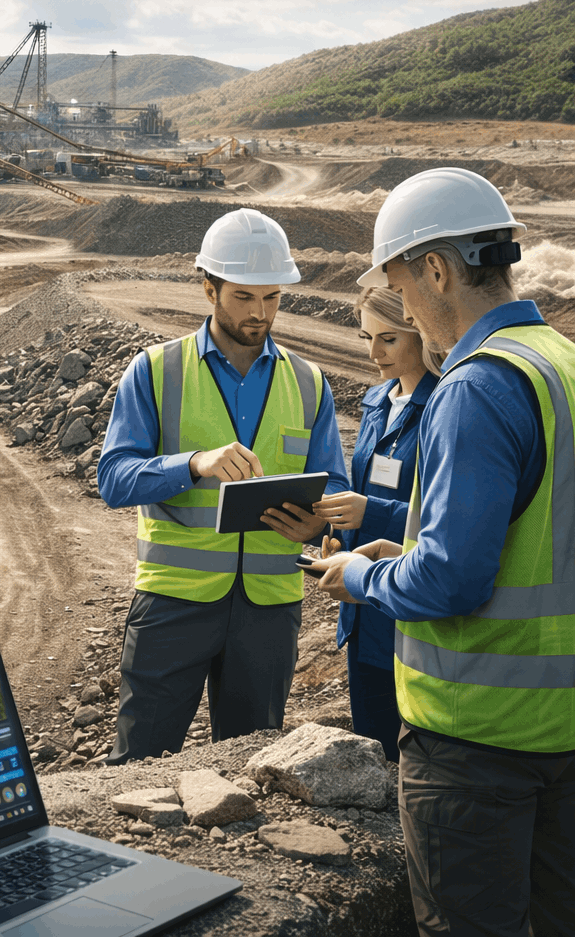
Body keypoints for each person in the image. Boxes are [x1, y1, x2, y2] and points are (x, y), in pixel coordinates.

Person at [312, 166, 575, 934]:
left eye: (401, 285)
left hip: (476, 744)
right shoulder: (558, 362)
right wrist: (416, 548)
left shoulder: (475, 385)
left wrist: (364, 572)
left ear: (436, 268)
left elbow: (454, 580)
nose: (406, 308)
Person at [98, 207, 349, 764]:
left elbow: (338, 488)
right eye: (243, 297)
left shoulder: (309, 383)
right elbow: (113, 479)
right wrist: (192, 463)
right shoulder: (155, 370)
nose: (260, 314)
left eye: (272, 297)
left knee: (247, 764)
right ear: (207, 287)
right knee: (139, 761)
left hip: (269, 610)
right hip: (173, 603)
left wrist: (323, 524)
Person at [307, 287, 441, 762]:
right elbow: (363, 488)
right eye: (366, 336)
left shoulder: (446, 407)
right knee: (373, 739)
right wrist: (338, 536)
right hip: (363, 607)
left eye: (388, 338)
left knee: (412, 755)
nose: (372, 353)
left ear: (420, 331)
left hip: (411, 610)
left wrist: (374, 514)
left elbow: (450, 522)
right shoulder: (375, 402)